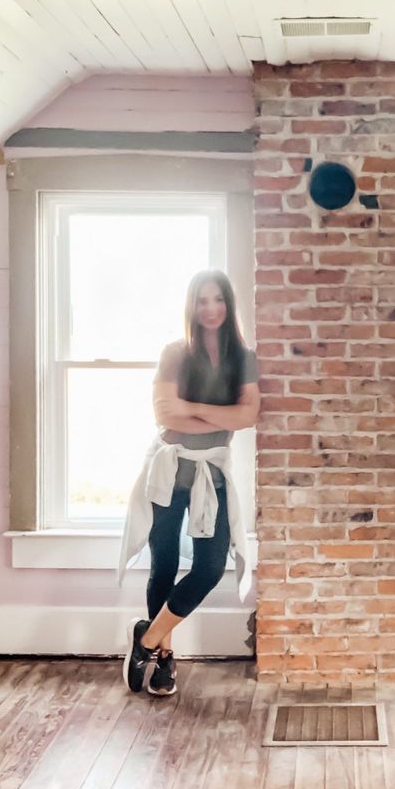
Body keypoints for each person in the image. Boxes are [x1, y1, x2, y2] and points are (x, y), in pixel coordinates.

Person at [117, 269, 260, 695]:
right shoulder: (175, 353)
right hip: (168, 473)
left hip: (210, 473)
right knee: (163, 565)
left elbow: (248, 416)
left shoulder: (244, 358)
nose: (211, 309)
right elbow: (165, 414)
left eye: (218, 300)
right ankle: (164, 658)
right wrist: (220, 412)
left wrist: (191, 408)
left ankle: (144, 637)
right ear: (191, 306)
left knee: (210, 566)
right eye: (203, 301)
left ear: (228, 304)